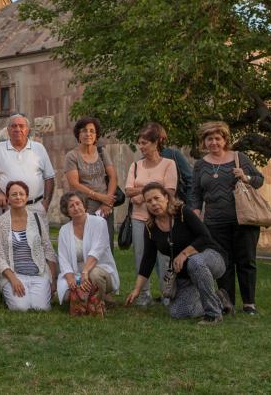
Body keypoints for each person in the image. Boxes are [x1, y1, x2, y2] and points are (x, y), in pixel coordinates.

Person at [125, 182, 229, 324]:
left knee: (195, 261)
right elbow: (148, 260)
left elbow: (205, 237)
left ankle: (213, 314)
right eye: (149, 201)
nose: (154, 203)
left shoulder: (182, 212)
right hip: (185, 273)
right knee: (178, 312)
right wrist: (137, 290)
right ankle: (219, 299)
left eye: (157, 198)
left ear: (167, 198)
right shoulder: (150, 227)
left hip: (211, 258)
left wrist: (184, 253)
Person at [192, 120, 265, 316]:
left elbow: (259, 180)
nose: (213, 142)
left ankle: (249, 303)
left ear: (225, 140)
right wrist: (196, 212)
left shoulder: (239, 158)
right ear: (204, 142)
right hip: (214, 221)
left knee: (246, 260)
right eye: (209, 139)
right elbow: (196, 193)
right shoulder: (200, 165)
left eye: (217, 138)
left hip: (243, 219)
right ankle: (227, 302)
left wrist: (245, 176)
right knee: (223, 262)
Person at [123, 121, 178, 306]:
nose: (141, 146)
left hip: (162, 219)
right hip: (139, 219)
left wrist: (141, 193)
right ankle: (144, 294)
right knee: (141, 256)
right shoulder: (135, 166)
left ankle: (167, 294)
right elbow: (128, 191)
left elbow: (169, 191)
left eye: (145, 143)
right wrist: (150, 191)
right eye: (140, 143)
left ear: (155, 144)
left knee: (164, 257)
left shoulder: (169, 164)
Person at [0, 180, 58, 311]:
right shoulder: (0, 223)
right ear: (8, 198)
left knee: (41, 308)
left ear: (26, 197)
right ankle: (8, 294)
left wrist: (53, 280)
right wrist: (12, 278)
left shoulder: (37, 219)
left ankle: (32, 292)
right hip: (13, 275)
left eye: (21, 194)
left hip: (38, 273)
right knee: (21, 307)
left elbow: (48, 249)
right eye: (14, 194)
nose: (18, 197)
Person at [0, 114, 56, 227]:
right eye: (14, 126)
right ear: (8, 130)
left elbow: (49, 177)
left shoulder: (39, 148)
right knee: (8, 242)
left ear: (27, 130)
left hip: (35, 207)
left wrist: (46, 203)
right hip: (7, 208)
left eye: (21, 126)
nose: (17, 129)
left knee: (38, 242)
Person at [56, 192, 119, 309]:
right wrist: (71, 280)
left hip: (98, 271)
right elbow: (63, 258)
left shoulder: (99, 223)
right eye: (71, 206)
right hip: (76, 274)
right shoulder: (64, 230)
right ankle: (92, 298)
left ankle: (100, 299)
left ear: (84, 205)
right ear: (67, 211)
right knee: (66, 294)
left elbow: (97, 251)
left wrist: (85, 272)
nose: (76, 208)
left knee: (94, 275)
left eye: (78, 203)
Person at [63, 117, 118, 247]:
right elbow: (74, 184)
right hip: (84, 207)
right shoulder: (72, 156)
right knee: (86, 245)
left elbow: (113, 177)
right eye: (84, 131)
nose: (88, 134)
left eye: (92, 131)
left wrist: (108, 202)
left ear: (96, 135)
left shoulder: (102, 152)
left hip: (105, 207)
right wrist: (100, 197)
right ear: (78, 134)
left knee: (106, 245)